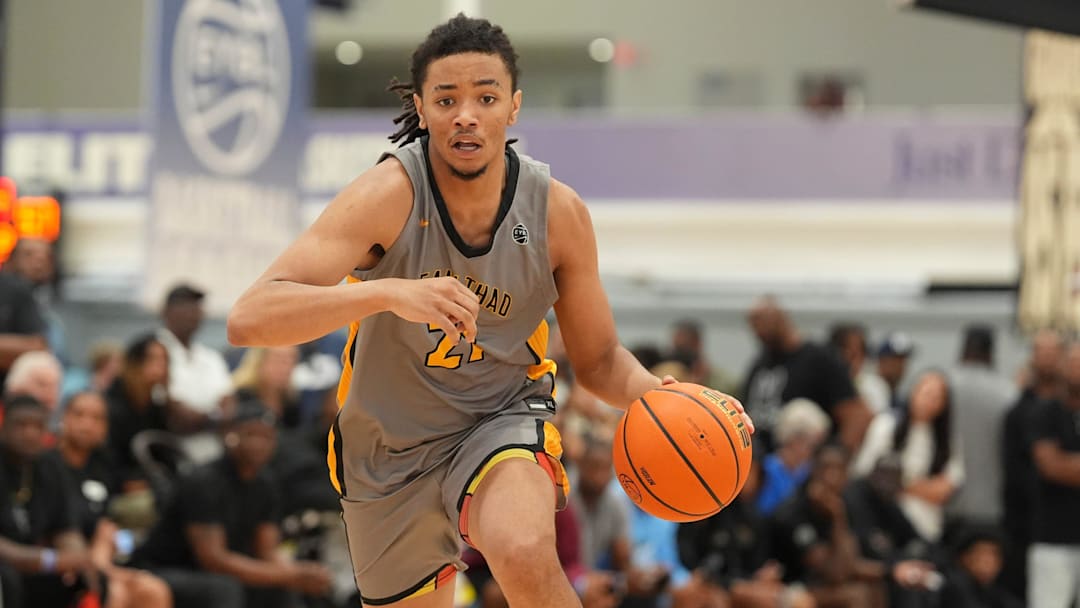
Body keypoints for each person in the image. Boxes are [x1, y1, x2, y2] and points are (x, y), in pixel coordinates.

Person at [227, 14, 753, 608]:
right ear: (422, 110)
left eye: (485, 96)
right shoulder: (387, 195)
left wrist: (663, 396)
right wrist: (387, 292)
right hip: (386, 450)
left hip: (497, 417)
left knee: (524, 549)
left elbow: (601, 359)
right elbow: (249, 317)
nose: (466, 115)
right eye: (446, 99)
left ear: (514, 107)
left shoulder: (557, 214)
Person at [131, 400, 332, 608]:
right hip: (165, 569)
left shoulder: (266, 483)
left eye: (266, 437)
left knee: (283, 587)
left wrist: (297, 573)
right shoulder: (204, 481)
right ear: (230, 435)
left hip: (218, 574)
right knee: (224, 588)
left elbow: (267, 552)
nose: (259, 444)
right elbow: (213, 560)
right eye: (251, 434)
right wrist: (286, 575)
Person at [45, 391, 173, 608]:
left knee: (153, 589)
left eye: (97, 418)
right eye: (80, 414)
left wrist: (106, 563)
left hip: (101, 559)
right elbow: (57, 529)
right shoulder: (46, 465)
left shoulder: (103, 466)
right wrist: (99, 568)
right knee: (115, 594)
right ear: (63, 418)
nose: (87, 424)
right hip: (62, 561)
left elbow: (107, 524)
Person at [742, 296, 870, 452]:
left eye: (762, 321)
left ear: (780, 319)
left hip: (807, 462)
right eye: (754, 324)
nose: (759, 330)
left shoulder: (818, 358)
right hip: (764, 462)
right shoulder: (761, 364)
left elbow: (856, 414)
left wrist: (835, 460)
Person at [851, 370, 962, 543]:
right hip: (886, 522)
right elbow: (866, 474)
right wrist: (918, 486)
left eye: (937, 397)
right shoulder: (886, 425)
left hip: (925, 525)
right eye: (926, 393)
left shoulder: (946, 439)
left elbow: (945, 488)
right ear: (913, 391)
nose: (929, 401)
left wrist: (902, 484)